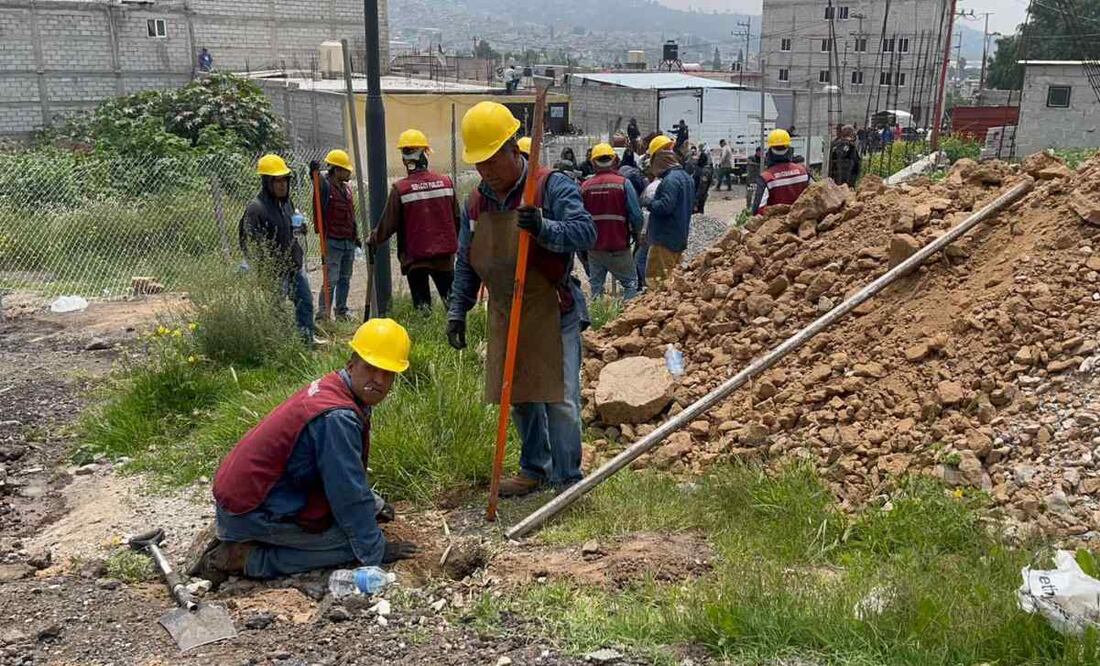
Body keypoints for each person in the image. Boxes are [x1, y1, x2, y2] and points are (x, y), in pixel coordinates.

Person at [192, 319, 419, 583]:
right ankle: (244, 558)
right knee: (349, 545)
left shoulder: (334, 388)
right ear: (352, 365)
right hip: (250, 511)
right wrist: (375, 551)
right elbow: (347, 493)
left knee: (362, 523)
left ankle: (250, 539)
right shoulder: (338, 417)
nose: (378, 380)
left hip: (256, 497)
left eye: (388, 373)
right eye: (371, 368)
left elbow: (337, 471)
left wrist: (373, 504)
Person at [446, 101, 595, 497]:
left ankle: (567, 479)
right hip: (505, 310)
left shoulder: (549, 187)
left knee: (560, 400)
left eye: (493, 161)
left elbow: (586, 232)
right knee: (519, 395)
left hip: (552, 308)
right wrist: (457, 311)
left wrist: (544, 227)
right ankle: (534, 468)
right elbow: (466, 261)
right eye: (479, 164)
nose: (486, 171)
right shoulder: (476, 204)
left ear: (514, 149)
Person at [371, 129, 459, 310]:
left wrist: (373, 239)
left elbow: (388, 225)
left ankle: (424, 326)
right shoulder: (446, 183)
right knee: (453, 306)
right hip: (444, 258)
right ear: (425, 154)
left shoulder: (400, 189)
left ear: (405, 160)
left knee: (422, 308)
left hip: (415, 259)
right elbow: (457, 218)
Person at [239, 154, 316, 342]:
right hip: (274, 272)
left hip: (294, 266)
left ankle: (306, 341)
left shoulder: (287, 203)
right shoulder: (256, 209)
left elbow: (292, 228)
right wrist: (265, 266)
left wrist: (301, 228)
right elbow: (248, 241)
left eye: (284, 180)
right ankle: (280, 346)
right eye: (277, 181)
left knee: (305, 303)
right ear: (267, 183)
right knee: (276, 310)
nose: (282, 185)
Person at [581, 143, 643, 300]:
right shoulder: (623, 183)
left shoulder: (585, 186)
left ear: (593, 162)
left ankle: (598, 315)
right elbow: (636, 215)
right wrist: (637, 233)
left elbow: (580, 218)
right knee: (630, 284)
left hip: (595, 247)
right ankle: (629, 313)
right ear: (615, 160)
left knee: (596, 288)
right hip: (619, 245)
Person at [311, 149, 358, 321]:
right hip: (332, 242)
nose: (349, 173)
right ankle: (323, 315)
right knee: (331, 279)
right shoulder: (325, 186)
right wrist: (314, 173)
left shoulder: (347, 190)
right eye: (346, 170)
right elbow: (317, 183)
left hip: (348, 242)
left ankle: (341, 312)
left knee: (345, 278)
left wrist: (356, 236)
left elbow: (351, 215)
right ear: (337, 170)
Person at [643, 134, 694, 286]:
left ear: (658, 159)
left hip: (664, 240)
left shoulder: (670, 180)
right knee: (672, 280)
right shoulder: (686, 177)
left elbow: (665, 207)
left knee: (657, 282)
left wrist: (648, 202)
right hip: (678, 237)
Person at [751, 129, 812, 216]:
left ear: (770, 151)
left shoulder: (766, 178)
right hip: (802, 221)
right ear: (789, 149)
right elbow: (817, 195)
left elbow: (757, 210)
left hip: (777, 223)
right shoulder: (803, 171)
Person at [694, 143, 713, 214]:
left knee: (698, 213)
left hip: (699, 198)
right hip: (700, 196)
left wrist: (696, 201)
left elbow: (702, 188)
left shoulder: (705, 172)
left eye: (698, 158)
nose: (696, 160)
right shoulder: (703, 169)